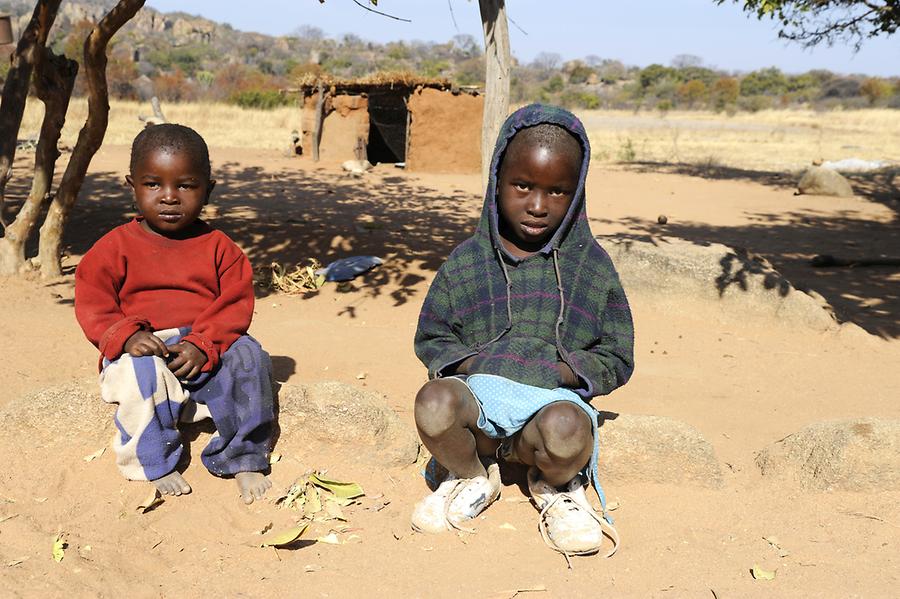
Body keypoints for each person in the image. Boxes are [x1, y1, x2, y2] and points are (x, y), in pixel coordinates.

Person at [411, 104, 634, 557]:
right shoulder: (468, 261)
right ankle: (472, 476)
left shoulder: (591, 267)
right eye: (522, 185)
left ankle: (555, 487)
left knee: (569, 429)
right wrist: (473, 363)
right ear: (497, 182)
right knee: (432, 404)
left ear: (577, 194)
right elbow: (431, 337)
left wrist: (567, 372)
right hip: (478, 412)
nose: (537, 204)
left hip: (547, 408)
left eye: (557, 192)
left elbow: (617, 354)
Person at [74, 124, 275, 505]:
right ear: (131, 185)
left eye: (185, 185)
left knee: (250, 357)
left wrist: (204, 343)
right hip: (144, 345)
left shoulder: (220, 248)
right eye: (153, 184)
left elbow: (234, 303)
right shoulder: (112, 247)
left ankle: (243, 454)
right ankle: (153, 461)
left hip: (203, 342)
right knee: (138, 375)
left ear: (208, 189)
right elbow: (93, 302)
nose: (169, 197)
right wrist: (127, 336)